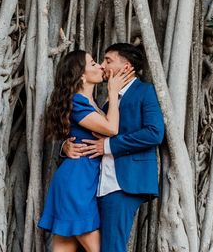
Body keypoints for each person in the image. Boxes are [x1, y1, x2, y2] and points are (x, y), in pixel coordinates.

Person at [64, 43, 165, 252]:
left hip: (123, 183)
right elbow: (86, 131)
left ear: (126, 66)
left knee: (111, 247)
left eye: (108, 60)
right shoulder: (108, 101)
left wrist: (108, 146)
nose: (102, 65)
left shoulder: (145, 92)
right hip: (97, 185)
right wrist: (65, 146)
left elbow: (154, 133)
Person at [38, 50, 134, 252]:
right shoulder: (78, 102)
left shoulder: (91, 104)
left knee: (64, 249)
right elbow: (111, 129)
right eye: (93, 64)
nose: (101, 66)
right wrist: (113, 93)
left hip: (83, 180)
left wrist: (64, 146)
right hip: (76, 184)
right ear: (81, 74)